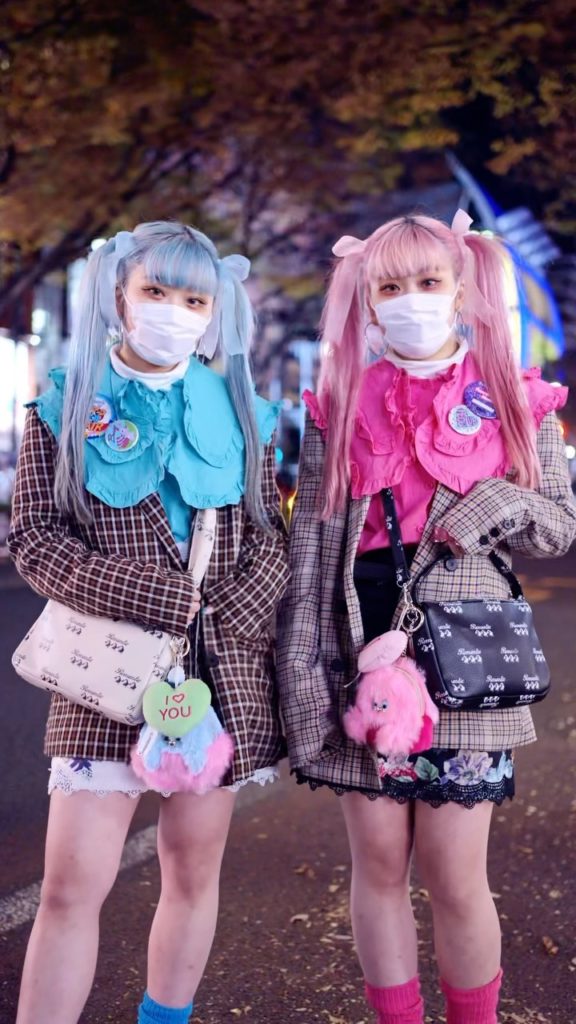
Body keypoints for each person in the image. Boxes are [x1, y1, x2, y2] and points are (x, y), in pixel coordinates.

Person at [277, 210, 576, 1024]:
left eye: (428, 282)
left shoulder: (512, 393)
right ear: (369, 304)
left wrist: (490, 504)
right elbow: (309, 548)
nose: (411, 300)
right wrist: (299, 675)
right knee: (375, 864)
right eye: (391, 287)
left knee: (454, 873)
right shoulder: (339, 401)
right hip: (360, 652)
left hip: (471, 657)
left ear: (461, 289)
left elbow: (559, 525)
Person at [8, 221, 290, 1024]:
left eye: (192, 298)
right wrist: (153, 596)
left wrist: (230, 612)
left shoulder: (242, 409)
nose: (173, 311)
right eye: (156, 292)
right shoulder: (64, 403)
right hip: (105, 673)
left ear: (215, 310)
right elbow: (31, 538)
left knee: (193, 875)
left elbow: (272, 536)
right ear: (120, 296)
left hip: (219, 679)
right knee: (69, 886)